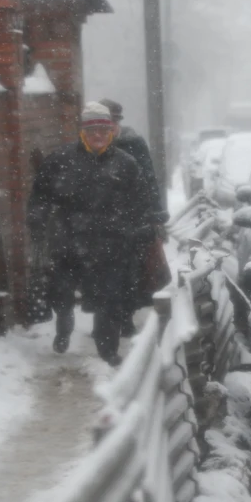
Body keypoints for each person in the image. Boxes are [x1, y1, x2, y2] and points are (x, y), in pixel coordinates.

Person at [27, 101, 155, 366]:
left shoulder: (126, 164)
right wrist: (37, 218)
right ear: (82, 132)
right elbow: (40, 194)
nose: (98, 135)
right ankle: (64, 324)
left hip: (111, 246)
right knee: (61, 293)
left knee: (109, 301)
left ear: (111, 132)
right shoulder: (61, 160)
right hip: (68, 242)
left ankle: (107, 350)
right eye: (92, 129)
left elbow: (140, 202)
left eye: (104, 130)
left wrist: (135, 229)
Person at [98, 98, 171, 337]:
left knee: (131, 271)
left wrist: (155, 214)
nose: (109, 127)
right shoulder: (91, 145)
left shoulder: (132, 144)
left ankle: (126, 317)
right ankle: (106, 319)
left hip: (133, 219)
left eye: (112, 122)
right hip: (100, 221)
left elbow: (149, 178)